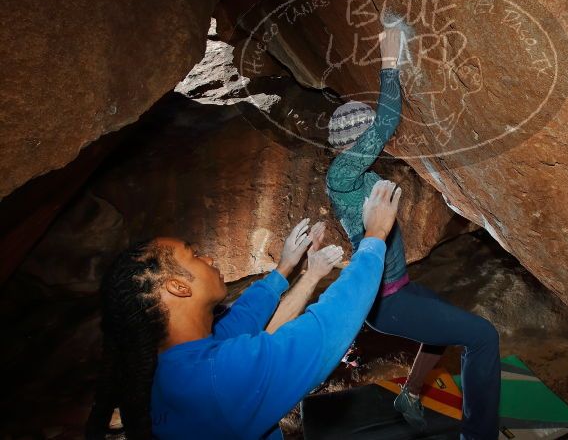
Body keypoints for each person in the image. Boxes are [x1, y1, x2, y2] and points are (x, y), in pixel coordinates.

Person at [85, 180, 403, 439]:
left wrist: (285, 269)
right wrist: (375, 236)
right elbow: (327, 327)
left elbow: (241, 322)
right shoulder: (216, 378)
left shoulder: (168, 368)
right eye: (193, 254)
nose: (207, 258)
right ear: (178, 287)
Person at [325, 27, 501, 439]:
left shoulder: (356, 174)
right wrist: (390, 62)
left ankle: (409, 394)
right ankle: (477, 436)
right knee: (482, 337)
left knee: (442, 332)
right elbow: (385, 124)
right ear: (352, 144)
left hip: (398, 289)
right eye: (365, 139)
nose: (376, 146)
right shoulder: (342, 175)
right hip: (386, 302)